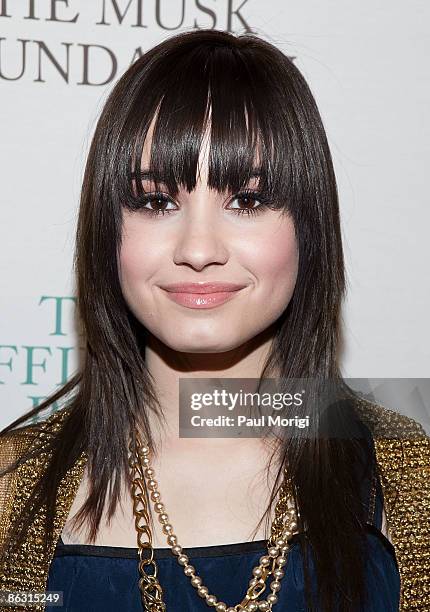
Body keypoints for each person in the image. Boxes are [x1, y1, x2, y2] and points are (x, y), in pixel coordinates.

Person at [0, 28, 428, 612]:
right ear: (107, 229)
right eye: (156, 201)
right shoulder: (9, 491)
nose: (199, 248)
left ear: (310, 228)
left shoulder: (409, 479)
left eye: (248, 200)